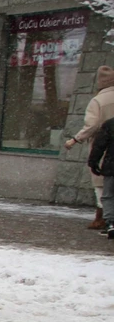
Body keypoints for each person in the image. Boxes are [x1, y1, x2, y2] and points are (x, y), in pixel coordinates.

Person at [65, 65, 114, 230]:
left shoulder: (98, 100)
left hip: (105, 146)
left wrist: (75, 139)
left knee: (102, 185)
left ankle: (104, 218)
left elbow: (92, 125)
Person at [87, 117, 114, 240]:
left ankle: (110, 222)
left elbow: (99, 145)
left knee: (108, 195)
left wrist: (93, 162)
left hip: (111, 166)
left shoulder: (110, 124)